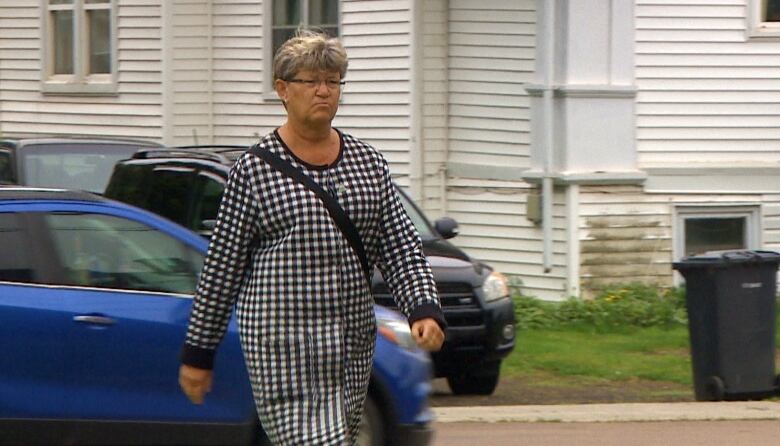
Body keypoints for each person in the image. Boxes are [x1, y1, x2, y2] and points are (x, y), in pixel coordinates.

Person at [178, 29, 446, 445]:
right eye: (311, 81)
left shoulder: (367, 163)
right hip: (283, 348)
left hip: (351, 347)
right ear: (282, 89)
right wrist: (198, 353)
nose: (324, 91)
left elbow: (399, 245)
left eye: (333, 81)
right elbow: (221, 269)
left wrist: (423, 308)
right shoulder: (254, 172)